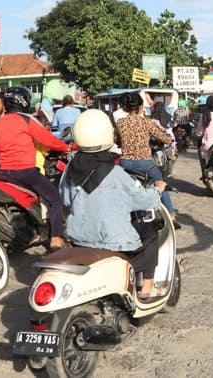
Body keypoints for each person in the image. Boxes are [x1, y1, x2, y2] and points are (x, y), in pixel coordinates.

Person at [60, 109, 166, 298]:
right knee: (151, 231)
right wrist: (158, 189)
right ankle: (146, 290)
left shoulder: (70, 169)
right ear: (107, 134)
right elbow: (144, 200)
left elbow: (65, 198)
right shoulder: (116, 174)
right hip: (114, 242)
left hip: (78, 240)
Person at [0, 87, 70, 251]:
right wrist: (66, 147)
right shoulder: (26, 120)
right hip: (25, 172)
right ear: (24, 102)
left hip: (3, 172)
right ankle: (56, 238)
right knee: (55, 200)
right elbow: (48, 140)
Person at [115, 93, 180, 229]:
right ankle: (172, 217)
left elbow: (115, 140)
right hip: (145, 164)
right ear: (140, 107)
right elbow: (162, 137)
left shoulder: (120, 123)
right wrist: (169, 139)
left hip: (125, 164)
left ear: (125, 108)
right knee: (161, 184)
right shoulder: (145, 122)